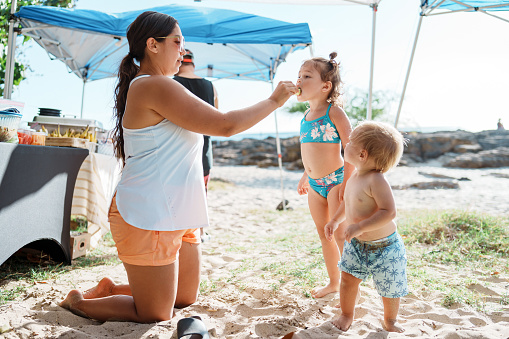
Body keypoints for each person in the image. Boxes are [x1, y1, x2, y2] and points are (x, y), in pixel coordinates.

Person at [59, 11, 297, 323]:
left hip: (178, 212)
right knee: (157, 313)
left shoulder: (167, 85)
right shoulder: (153, 86)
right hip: (149, 215)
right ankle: (79, 302)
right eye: (176, 42)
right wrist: (274, 101)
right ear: (152, 46)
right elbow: (224, 126)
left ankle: (110, 288)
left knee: (185, 298)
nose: (182, 50)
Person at [324, 121, 408, 333]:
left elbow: (388, 211)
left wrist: (360, 226)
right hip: (357, 245)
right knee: (348, 281)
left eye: (350, 141)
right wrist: (334, 220)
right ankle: (347, 314)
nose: (347, 142)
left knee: (390, 288)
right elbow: (348, 203)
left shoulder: (376, 180)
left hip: (385, 248)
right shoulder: (355, 175)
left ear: (362, 154)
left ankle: (390, 320)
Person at [296, 52, 354, 298]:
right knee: (324, 234)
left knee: (339, 233)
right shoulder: (305, 117)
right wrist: (305, 175)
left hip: (335, 183)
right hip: (315, 184)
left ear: (325, 86)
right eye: (298, 76)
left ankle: (350, 286)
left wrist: (346, 184)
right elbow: (310, 152)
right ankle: (333, 282)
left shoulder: (334, 112)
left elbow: (351, 149)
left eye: (306, 76)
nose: (299, 81)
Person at [174, 49, 218, 243]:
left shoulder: (171, 84)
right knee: (201, 193)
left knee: (178, 195)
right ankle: (199, 233)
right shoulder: (210, 87)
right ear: (193, 64)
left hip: (178, 148)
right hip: (203, 148)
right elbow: (217, 119)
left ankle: (179, 233)